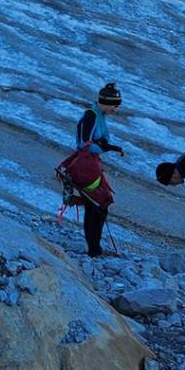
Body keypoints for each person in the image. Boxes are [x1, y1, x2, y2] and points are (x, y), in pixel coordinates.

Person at [74, 82, 124, 257]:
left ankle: (95, 247)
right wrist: (105, 147)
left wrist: (106, 147)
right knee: (95, 204)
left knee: (100, 204)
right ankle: (93, 249)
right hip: (86, 165)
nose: (116, 109)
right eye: (115, 105)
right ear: (106, 102)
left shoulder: (99, 116)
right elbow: (83, 145)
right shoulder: (91, 116)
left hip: (93, 164)